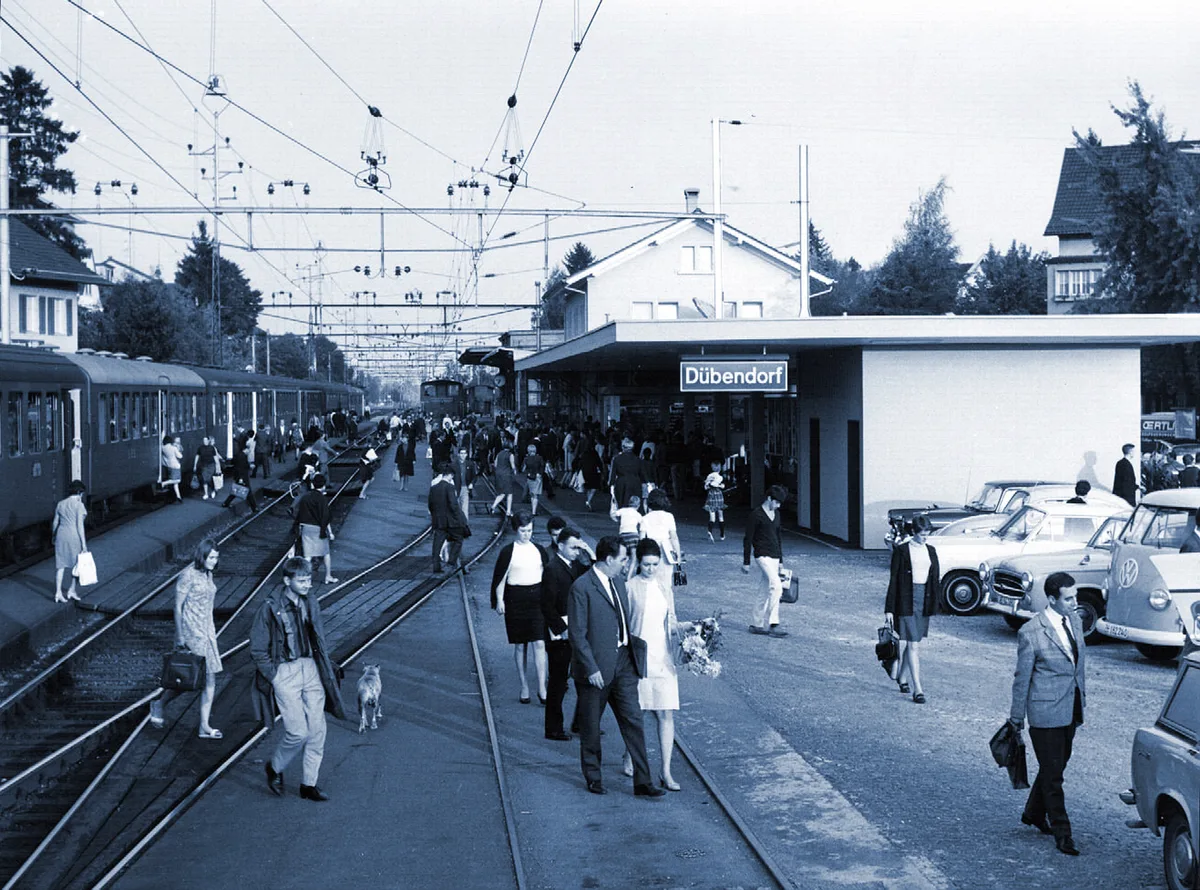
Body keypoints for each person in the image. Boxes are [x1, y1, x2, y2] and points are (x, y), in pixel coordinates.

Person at [568, 535, 665, 798]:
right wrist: (591, 668)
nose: (626, 564)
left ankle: (643, 781)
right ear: (609, 559)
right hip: (596, 669)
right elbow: (577, 633)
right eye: (623, 559)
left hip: (623, 663)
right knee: (591, 726)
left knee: (634, 721)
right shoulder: (582, 587)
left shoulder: (619, 583)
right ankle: (593, 777)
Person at [250, 557, 345, 802]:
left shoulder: (309, 601)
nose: (307, 585)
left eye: (308, 580)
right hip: (285, 672)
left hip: (310, 667)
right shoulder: (269, 608)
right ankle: (275, 767)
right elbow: (257, 648)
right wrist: (274, 675)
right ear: (287, 581)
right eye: (301, 581)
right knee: (297, 732)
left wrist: (322, 664)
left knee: (317, 730)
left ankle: (308, 784)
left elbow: (317, 635)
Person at [1008, 571, 1087, 856]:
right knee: (1054, 776)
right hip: (1044, 713)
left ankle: (1033, 812)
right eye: (1068, 599)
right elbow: (1022, 678)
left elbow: (1077, 667)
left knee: (1055, 765)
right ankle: (1063, 833)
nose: (1075, 603)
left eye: (1075, 597)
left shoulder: (1075, 621)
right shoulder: (1031, 632)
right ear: (1052, 599)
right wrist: (1016, 717)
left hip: (1071, 708)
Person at [149, 538, 224, 738]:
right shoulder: (187, 575)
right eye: (211, 557)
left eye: (216, 558)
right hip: (192, 632)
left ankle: (204, 726)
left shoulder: (208, 574)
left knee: (209, 678)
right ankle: (159, 703)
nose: (214, 561)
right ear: (202, 556)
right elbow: (178, 606)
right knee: (189, 677)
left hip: (207, 632)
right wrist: (180, 635)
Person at [623, 538, 681, 790]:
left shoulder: (664, 586)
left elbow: (672, 622)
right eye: (646, 564)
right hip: (639, 658)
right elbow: (624, 625)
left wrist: (694, 630)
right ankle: (630, 755)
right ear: (638, 562)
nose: (651, 569)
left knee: (666, 713)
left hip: (663, 657)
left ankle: (665, 771)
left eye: (655, 564)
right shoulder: (629, 587)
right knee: (639, 712)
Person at [490, 510, 549, 704]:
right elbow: (500, 577)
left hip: (537, 599)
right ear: (516, 530)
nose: (527, 534)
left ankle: (542, 687)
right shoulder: (508, 551)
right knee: (520, 645)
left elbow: (548, 576)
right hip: (515, 599)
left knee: (540, 643)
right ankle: (524, 686)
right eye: (523, 531)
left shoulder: (539, 550)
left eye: (530, 530)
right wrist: (500, 600)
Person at [884, 518, 941, 704]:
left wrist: (935, 604)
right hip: (906, 600)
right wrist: (889, 609)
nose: (925, 538)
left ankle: (902, 677)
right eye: (922, 534)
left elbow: (934, 579)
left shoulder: (931, 551)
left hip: (923, 601)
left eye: (927, 534)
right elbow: (893, 580)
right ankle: (918, 689)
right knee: (914, 644)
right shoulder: (901, 551)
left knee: (913, 642)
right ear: (914, 532)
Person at [540, 524, 586, 741]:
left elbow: (594, 568)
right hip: (560, 634)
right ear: (560, 546)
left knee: (581, 678)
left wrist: (587, 550)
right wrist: (561, 629)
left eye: (578, 548)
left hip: (576, 629)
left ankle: (580, 722)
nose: (576, 552)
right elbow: (546, 605)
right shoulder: (552, 569)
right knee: (558, 681)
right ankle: (553, 728)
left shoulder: (575, 565)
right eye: (573, 548)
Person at [743, 484, 790, 637]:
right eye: (776, 502)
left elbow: (778, 537)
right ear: (769, 498)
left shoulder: (777, 514)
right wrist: (746, 562)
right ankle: (774, 624)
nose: (778, 506)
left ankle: (757, 624)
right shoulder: (756, 515)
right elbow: (748, 538)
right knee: (776, 586)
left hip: (775, 556)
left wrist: (781, 560)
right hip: (762, 555)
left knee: (764, 589)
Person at [293, 474, 338, 584]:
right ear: (323, 486)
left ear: (313, 484)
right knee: (326, 553)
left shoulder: (305, 497)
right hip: (317, 529)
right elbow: (325, 517)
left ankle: (304, 580)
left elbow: (298, 513)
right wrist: (329, 532)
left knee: (308, 556)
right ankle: (328, 576)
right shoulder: (322, 499)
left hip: (305, 528)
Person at [429, 462, 471, 574]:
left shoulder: (434, 488)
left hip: (438, 521)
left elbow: (430, 505)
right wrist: (460, 519)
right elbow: (453, 505)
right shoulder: (450, 487)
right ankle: (451, 562)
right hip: (451, 522)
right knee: (458, 539)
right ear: (450, 475)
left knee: (437, 544)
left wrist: (435, 517)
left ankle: (436, 566)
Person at [52, 480, 88, 603]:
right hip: (73, 536)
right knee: (77, 565)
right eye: (82, 493)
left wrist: (54, 535)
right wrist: (84, 544)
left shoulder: (60, 504)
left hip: (61, 534)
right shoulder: (79, 506)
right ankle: (71, 590)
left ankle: (58, 593)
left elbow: (55, 522)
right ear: (79, 492)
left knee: (60, 565)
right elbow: (80, 526)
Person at [638, 488, 681, 567]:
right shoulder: (669, 516)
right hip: (667, 550)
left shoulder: (645, 518)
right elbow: (674, 537)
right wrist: (678, 554)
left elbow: (642, 539)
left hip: (651, 550)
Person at [221, 436, 259, 513]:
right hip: (242, 477)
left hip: (240, 476)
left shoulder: (240, 455)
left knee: (236, 491)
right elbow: (240, 468)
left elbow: (240, 466)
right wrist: (241, 478)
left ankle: (226, 503)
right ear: (246, 449)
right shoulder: (242, 457)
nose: (250, 451)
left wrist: (249, 466)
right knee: (248, 492)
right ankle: (254, 508)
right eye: (249, 450)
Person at [608, 436, 645, 512]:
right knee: (635, 504)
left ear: (623, 447)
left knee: (622, 504)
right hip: (635, 482)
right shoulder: (638, 459)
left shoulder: (617, 459)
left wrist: (611, 485)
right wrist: (647, 483)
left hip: (622, 482)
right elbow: (642, 473)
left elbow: (613, 474)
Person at [490, 435, 518, 517]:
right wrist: (515, 471)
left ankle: (493, 506)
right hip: (506, 475)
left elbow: (495, 464)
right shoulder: (510, 455)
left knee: (501, 493)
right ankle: (508, 511)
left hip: (498, 474)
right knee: (509, 493)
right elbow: (513, 466)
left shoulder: (499, 454)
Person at [577, 435, 605, 511]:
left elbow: (580, 463)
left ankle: (588, 501)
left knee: (588, 487)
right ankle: (588, 501)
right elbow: (599, 463)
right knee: (594, 488)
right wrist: (602, 471)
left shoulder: (584, 453)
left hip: (585, 472)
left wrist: (578, 471)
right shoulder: (594, 453)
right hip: (593, 472)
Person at [703, 461, 727, 541]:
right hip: (718, 496)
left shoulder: (709, 476)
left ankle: (709, 531)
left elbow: (706, 487)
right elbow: (715, 484)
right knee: (720, 516)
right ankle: (722, 535)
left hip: (711, 496)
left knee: (712, 517)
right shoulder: (720, 477)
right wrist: (720, 486)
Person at [521, 442, 546, 516]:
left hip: (529, 477)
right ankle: (534, 511)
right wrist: (540, 474)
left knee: (532, 494)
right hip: (537, 477)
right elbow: (542, 466)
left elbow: (523, 469)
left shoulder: (526, 458)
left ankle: (533, 510)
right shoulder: (539, 458)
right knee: (536, 495)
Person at [453, 446, 477, 517]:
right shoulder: (453, 465)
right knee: (456, 508)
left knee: (465, 509)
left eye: (464, 453)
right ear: (458, 454)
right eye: (461, 453)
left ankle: (465, 522)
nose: (463, 455)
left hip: (465, 488)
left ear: (466, 454)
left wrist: (472, 483)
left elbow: (474, 476)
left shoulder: (470, 464)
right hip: (456, 488)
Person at [1113, 442, 1139, 507]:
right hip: (1126, 498)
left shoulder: (1120, 463)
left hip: (1121, 496)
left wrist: (1137, 487)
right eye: (1133, 451)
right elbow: (1127, 483)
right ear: (1130, 452)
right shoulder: (1127, 465)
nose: (1134, 453)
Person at [161, 434, 183, 503]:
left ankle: (179, 496)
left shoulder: (163, 448)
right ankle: (164, 483)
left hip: (169, 465)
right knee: (178, 480)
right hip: (175, 465)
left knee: (175, 483)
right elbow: (180, 456)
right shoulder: (173, 448)